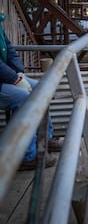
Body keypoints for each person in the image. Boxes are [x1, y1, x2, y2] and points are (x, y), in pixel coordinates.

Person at [0, 13, 62, 171]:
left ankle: (45, 139)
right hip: (3, 80)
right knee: (23, 98)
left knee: (42, 89)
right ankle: (26, 156)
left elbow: (10, 50)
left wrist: (19, 73)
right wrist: (14, 79)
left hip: (5, 78)